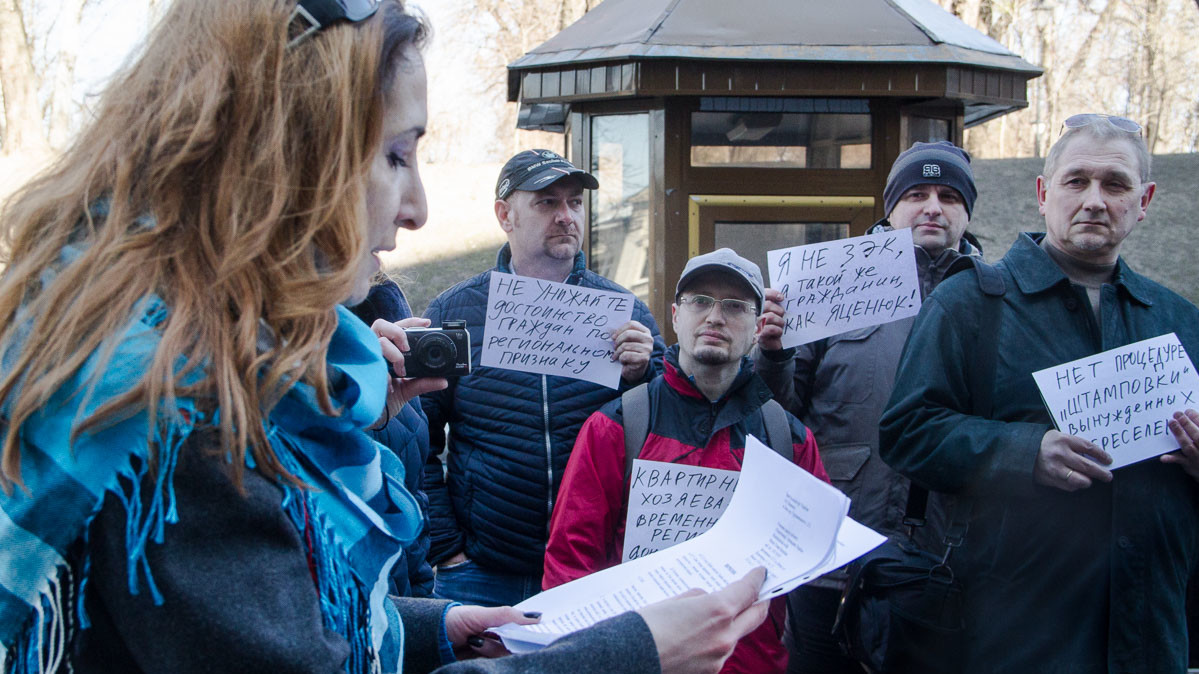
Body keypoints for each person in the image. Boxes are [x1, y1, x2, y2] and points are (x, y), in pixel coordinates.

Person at [0, 1, 771, 672]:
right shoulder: (186, 410)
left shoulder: (191, 358)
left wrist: (433, 630)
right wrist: (632, 654)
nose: (418, 209)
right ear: (288, 154)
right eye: (395, 154)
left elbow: (270, 628)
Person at [879, 114, 1199, 672]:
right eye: (1077, 181)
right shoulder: (970, 306)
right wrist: (1025, 452)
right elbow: (906, 433)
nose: (1095, 200)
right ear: (1043, 192)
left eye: (1115, 184)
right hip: (1014, 634)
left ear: (1143, 200)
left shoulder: (1179, 321)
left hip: (1150, 634)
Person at [753, 140, 982, 673]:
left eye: (949, 196)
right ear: (890, 207)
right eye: (917, 194)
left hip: (944, 563)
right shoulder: (831, 281)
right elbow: (779, 417)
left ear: (967, 211)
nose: (932, 207)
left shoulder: (993, 295)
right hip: (834, 554)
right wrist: (772, 353)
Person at [543, 248, 829, 673]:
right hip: (638, 661)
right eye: (700, 301)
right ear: (676, 315)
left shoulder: (790, 440)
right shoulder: (617, 427)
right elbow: (570, 561)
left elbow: (814, 564)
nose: (715, 317)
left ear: (757, 328)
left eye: (734, 306)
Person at [421, 150, 667, 607]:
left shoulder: (625, 311)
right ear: (504, 215)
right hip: (482, 573)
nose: (566, 216)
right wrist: (447, 549)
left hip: (591, 569)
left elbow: (675, 428)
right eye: (546, 202)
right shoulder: (454, 312)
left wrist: (643, 375)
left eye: (574, 202)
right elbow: (417, 437)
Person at [349, 277, 436, 597]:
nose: (417, 223)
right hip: (352, 611)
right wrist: (350, 415)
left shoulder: (389, 330)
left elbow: (416, 483)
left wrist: (425, 593)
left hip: (403, 600)